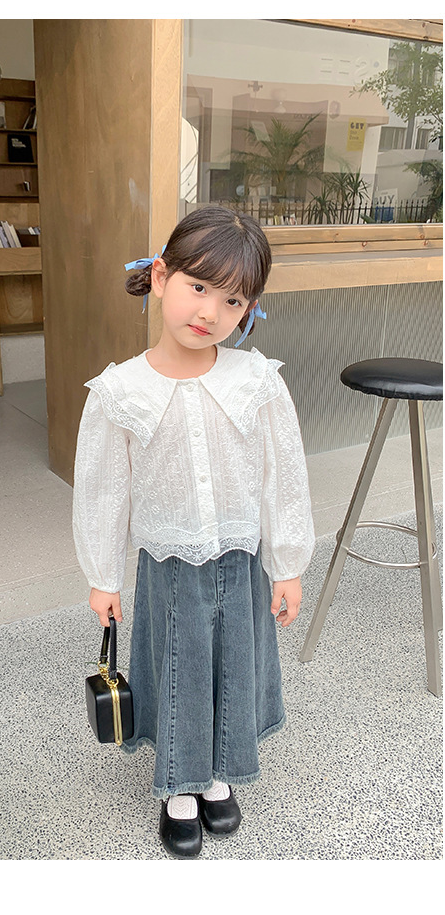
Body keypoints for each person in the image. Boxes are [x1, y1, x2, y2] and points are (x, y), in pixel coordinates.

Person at [72, 206, 315, 859]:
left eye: (232, 299)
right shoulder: (121, 391)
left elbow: (283, 476)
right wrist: (103, 576)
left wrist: (288, 563)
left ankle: (216, 778)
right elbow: (103, 491)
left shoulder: (256, 381)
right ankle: (179, 789)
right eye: (198, 286)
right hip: (169, 562)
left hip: (241, 558)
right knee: (179, 669)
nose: (209, 311)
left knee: (234, 668)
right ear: (160, 277)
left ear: (249, 309)